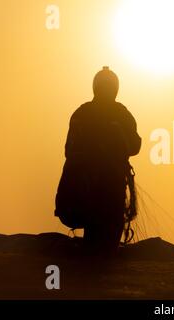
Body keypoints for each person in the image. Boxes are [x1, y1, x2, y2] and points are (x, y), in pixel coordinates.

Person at [55, 66, 141, 254]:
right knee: (105, 245)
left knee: (97, 241)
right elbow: (135, 145)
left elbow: (68, 150)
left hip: (84, 190)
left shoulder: (82, 113)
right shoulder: (120, 113)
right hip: (102, 191)